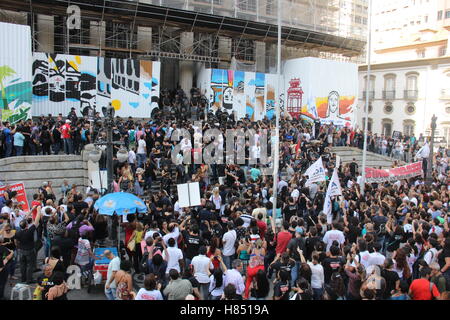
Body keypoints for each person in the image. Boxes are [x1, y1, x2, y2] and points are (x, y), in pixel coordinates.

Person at [15, 210, 41, 283]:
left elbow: (16, 241)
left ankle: (23, 278)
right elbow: (36, 222)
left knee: (23, 265)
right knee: (30, 265)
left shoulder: (18, 232)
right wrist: (38, 211)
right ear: (26, 225)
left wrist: (18, 247)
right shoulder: (29, 231)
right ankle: (29, 279)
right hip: (30, 250)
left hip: (21, 250)